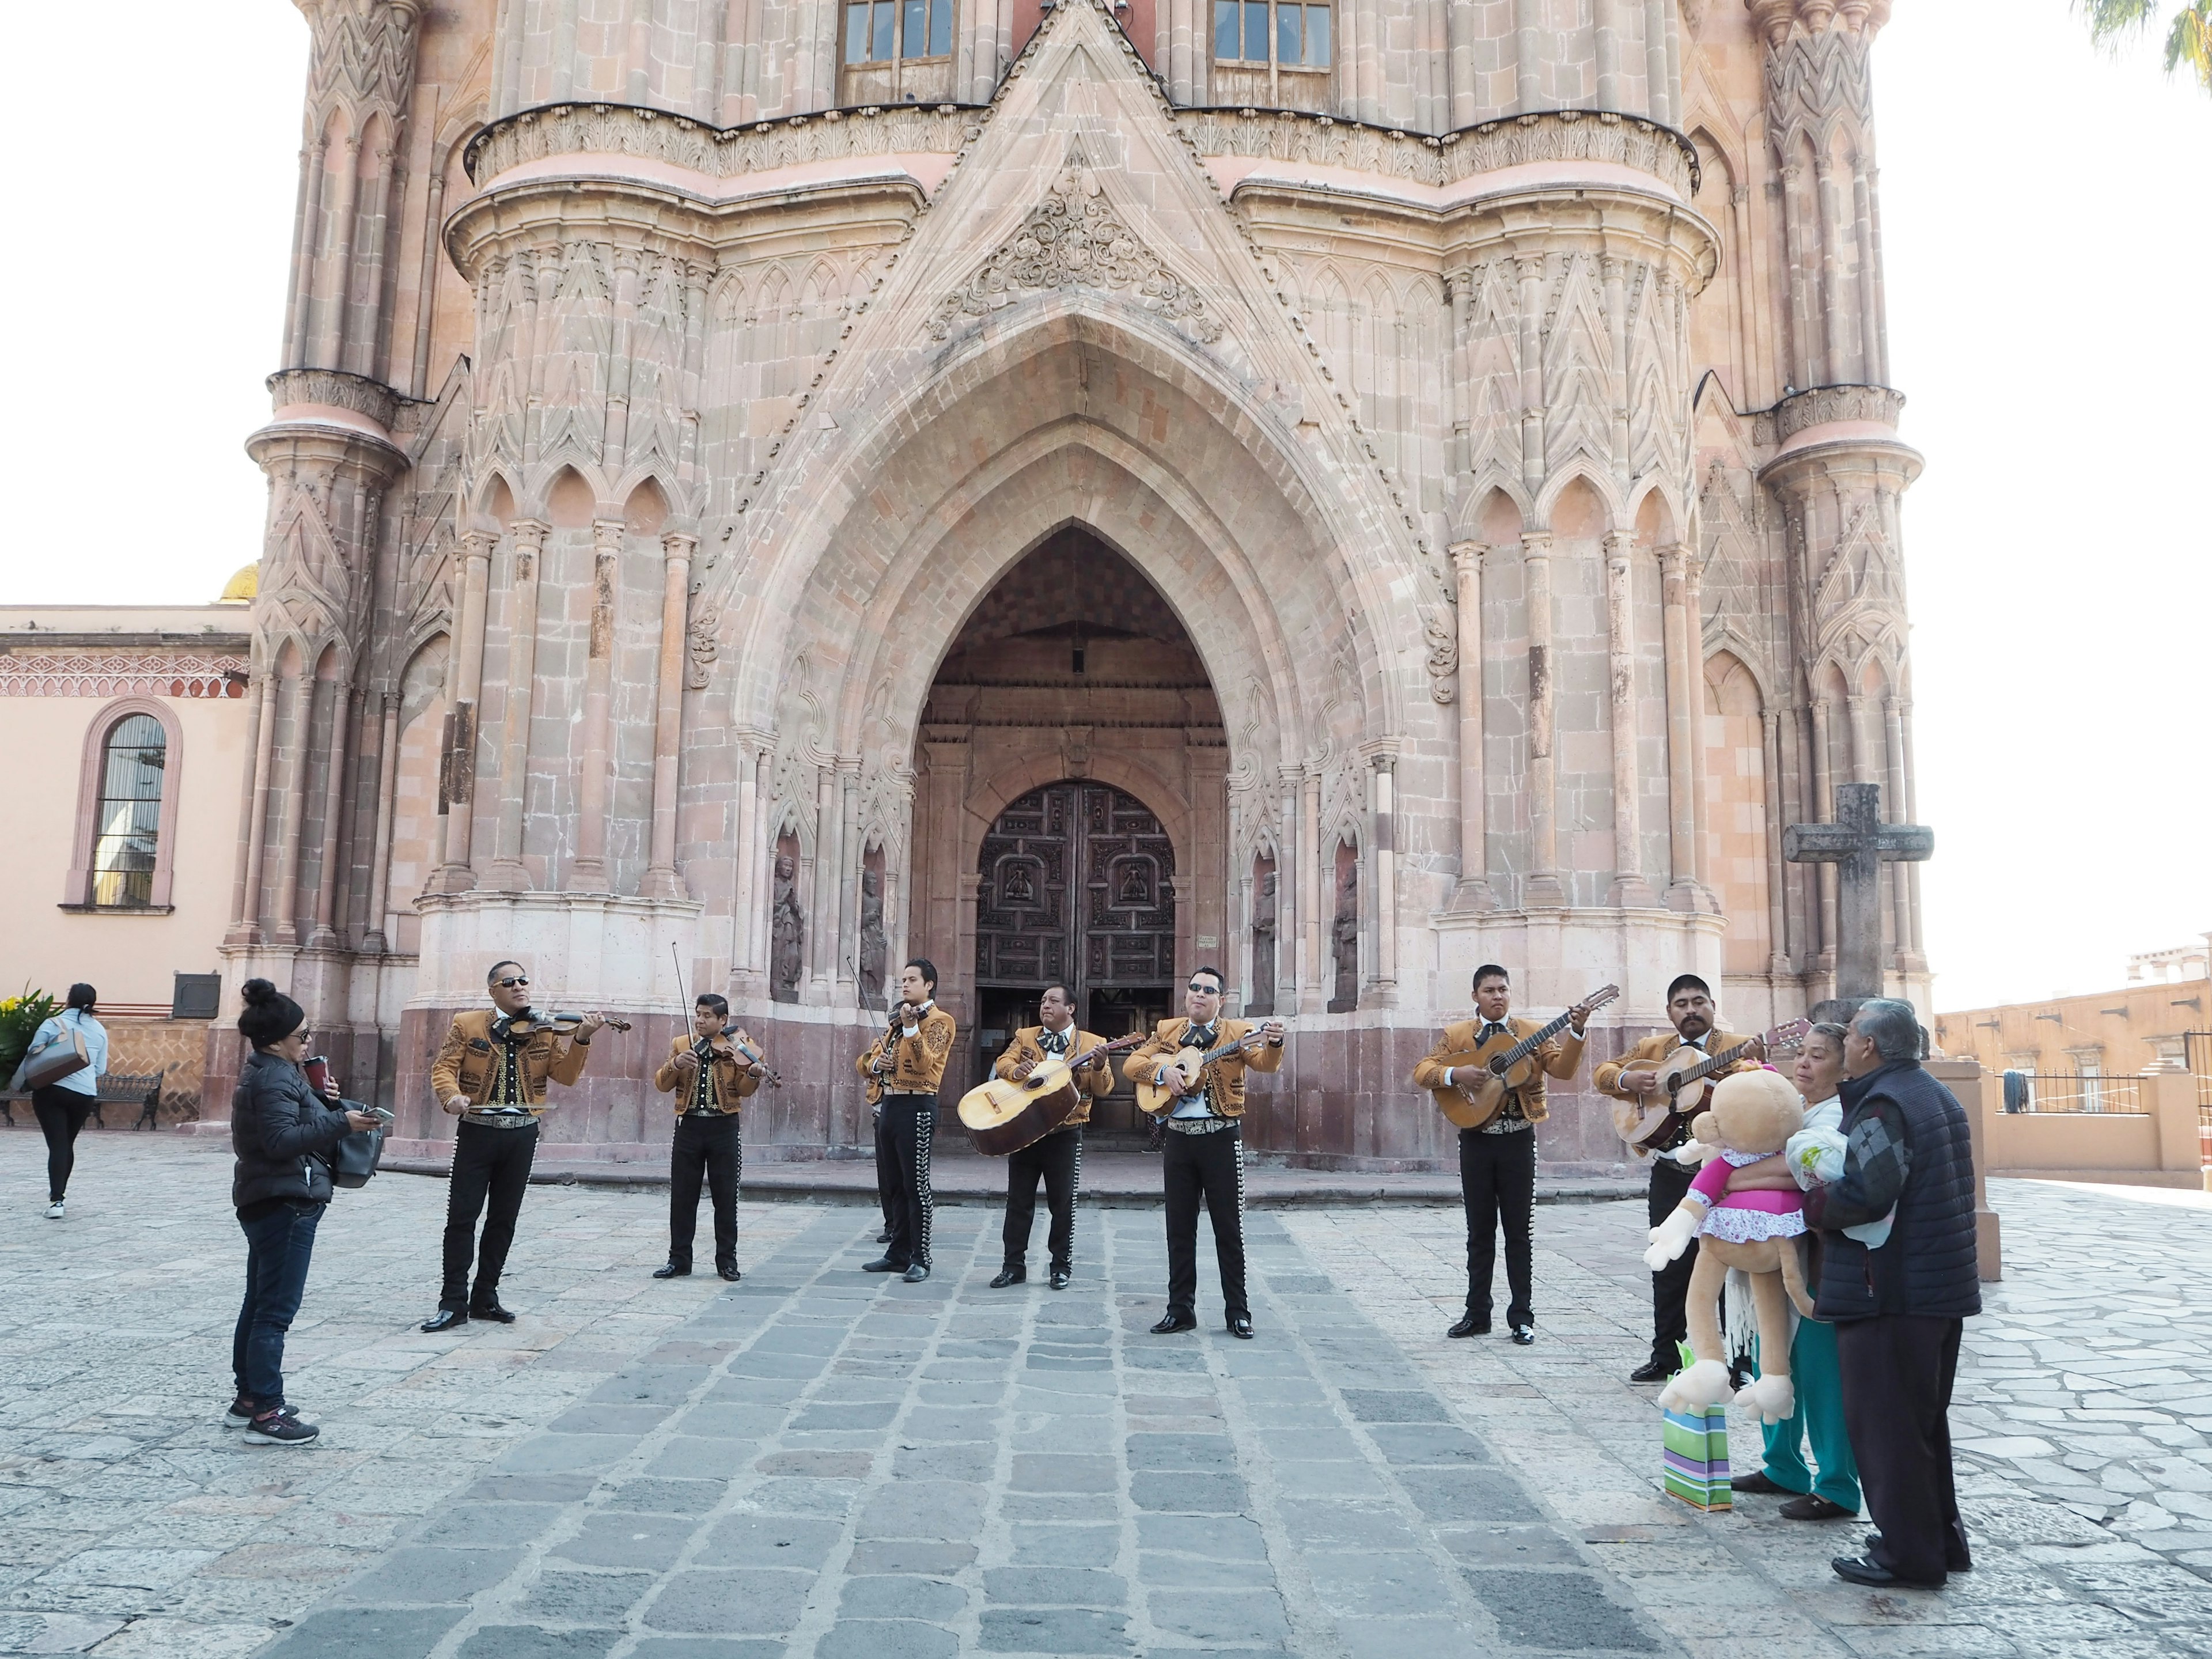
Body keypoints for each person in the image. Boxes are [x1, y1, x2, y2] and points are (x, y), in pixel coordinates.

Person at [1804, 998, 1980, 1589]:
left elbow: (1868, 1194)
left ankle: (1907, 1555)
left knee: (1887, 1430)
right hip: (1937, 1288)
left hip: (1891, 1292)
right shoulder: (1933, 1094)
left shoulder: (1884, 1104)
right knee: (1922, 1424)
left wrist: (1813, 1204)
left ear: (1870, 1046)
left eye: (1852, 1033)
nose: (1847, 1041)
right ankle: (1939, 1541)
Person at [1715, 1021, 1863, 1521]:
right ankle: (1782, 1465)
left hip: (1816, 1261)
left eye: (1818, 1056)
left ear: (1844, 1067)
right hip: (1776, 1255)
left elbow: (1799, 1170)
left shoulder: (1837, 1114)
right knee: (1771, 1357)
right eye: (1801, 1053)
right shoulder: (1796, 1109)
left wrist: (1725, 1181)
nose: (1803, 1063)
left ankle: (1838, 1484)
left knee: (1821, 1374)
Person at [228, 978, 381, 1445]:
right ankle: (267, 1415)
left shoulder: (273, 1070)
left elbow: (294, 1122)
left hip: (272, 1197)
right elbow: (279, 1142)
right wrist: (341, 1122)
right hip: (284, 1201)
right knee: (274, 1311)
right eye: (302, 1036)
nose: (308, 1042)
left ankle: (250, 1399)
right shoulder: (274, 1077)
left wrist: (327, 1101)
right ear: (277, 1040)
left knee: (260, 1302)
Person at [1411, 966, 1597, 1346]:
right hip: (1476, 1141)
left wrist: (1576, 1031)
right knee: (1479, 1232)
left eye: (1503, 989)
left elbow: (1562, 1069)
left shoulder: (1531, 1032)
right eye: (1489, 990)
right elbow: (1422, 1071)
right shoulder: (1458, 1035)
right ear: (1476, 996)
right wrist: (1457, 1074)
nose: (1497, 996)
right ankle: (1477, 1313)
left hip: (1518, 1140)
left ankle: (1522, 1317)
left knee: (1519, 1233)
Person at [1593, 974, 1761, 1384]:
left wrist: (1744, 1066)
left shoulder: (1736, 1047)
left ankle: (1740, 1364)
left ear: (1712, 1007)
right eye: (1682, 1004)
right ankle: (1666, 1355)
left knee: (1730, 1266)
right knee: (1668, 1266)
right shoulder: (1653, 1049)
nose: (1691, 1010)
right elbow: (1603, 1073)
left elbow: (1754, 1089)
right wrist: (1627, 1080)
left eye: (1698, 1001)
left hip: (1724, 1177)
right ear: (1670, 1013)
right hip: (1670, 1172)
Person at [421, 962, 605, 1332]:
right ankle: (452, 1302)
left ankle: (486, 1297)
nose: (520, 986)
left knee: (504, 1219)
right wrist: (452, 1096)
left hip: (523, 1132)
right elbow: (443, 1067)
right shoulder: (468, 1023)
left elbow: (566, 1077)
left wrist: (582, 1038)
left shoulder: (544, 1028)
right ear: (493, 990)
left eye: (524, 980)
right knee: (462, 1217)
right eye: (511, 982)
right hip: (478, 1130)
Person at [1126, 967, 1285, 1339]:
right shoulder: (1168, 1030)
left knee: (1228, 1228)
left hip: (1221, 1140)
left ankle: (1238, 1312)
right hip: (1178, 1139)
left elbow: (1266, 1063)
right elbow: (1134, 1064)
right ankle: (1180, 1309)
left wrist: (1274, 1042)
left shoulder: (1239, 1032)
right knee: (1179, 1228)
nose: (1198, 994)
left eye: (1208, 990)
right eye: (1193, 987)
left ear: (1221, 999)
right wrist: (1162, 1073)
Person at [988, 984, 1117, 1290]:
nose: (1045, 1005)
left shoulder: (1093, 1043)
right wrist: (1018, 1070)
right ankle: (1013, 1266)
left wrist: (1099, 1066)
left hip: (1065, 1132)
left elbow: (1105, 1088)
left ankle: (1060, 1267)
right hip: (1025, 1131)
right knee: (1018, 1201)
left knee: (1063, 1203)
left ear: (1070, 1009)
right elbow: (1002, 1063)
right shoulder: (1025, 1036)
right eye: (1044, 1001)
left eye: (1054, 1001)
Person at [652, 994, 765, 1283]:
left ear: (723, 1020)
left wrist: (752, 1074)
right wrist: (676, 1065)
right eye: (698, 1015)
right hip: (688, 1127)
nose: (700, 1021)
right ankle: (679, 1260)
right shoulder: (681, 1044)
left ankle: (727, 1261)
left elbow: (744, 1090)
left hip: (724, 1128)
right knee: (682, 1198)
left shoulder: (739, 1046)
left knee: (725, 1198)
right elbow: (662, 1084)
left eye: (707, 1016)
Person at [856, 960, 957, 1282]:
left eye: (912, 980)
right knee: (894, 1183)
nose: (905, 985)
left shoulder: (941, 1021)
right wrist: (876, 1063)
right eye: (903, 980)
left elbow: (927, 1063)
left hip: (918, 1104)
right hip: (890, 1103)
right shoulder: (894, 1023)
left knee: (916, 1184)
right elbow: (865, 1061)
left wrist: (912, 1027)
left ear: (929, 985)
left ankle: (921, 1256)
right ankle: (897, 1252)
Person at [24, 984, 107, 1219]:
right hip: (85, 1094)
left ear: (68, 999)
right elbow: (100, 1069)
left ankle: (56, 1201)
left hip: (53, 1091)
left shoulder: (53, 1024)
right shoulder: (100, 1030)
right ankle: (59, 1197)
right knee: (67, 1144)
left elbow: (33, 1053)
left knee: (57, 1145)